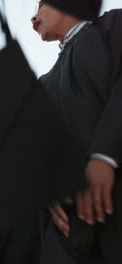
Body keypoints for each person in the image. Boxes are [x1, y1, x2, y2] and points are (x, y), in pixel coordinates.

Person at [32, 0, 122, 262]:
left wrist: (105, 155)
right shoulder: (42, 84)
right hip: (70, 229)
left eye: (41, 5)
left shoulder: (114, 26)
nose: (33, 17)